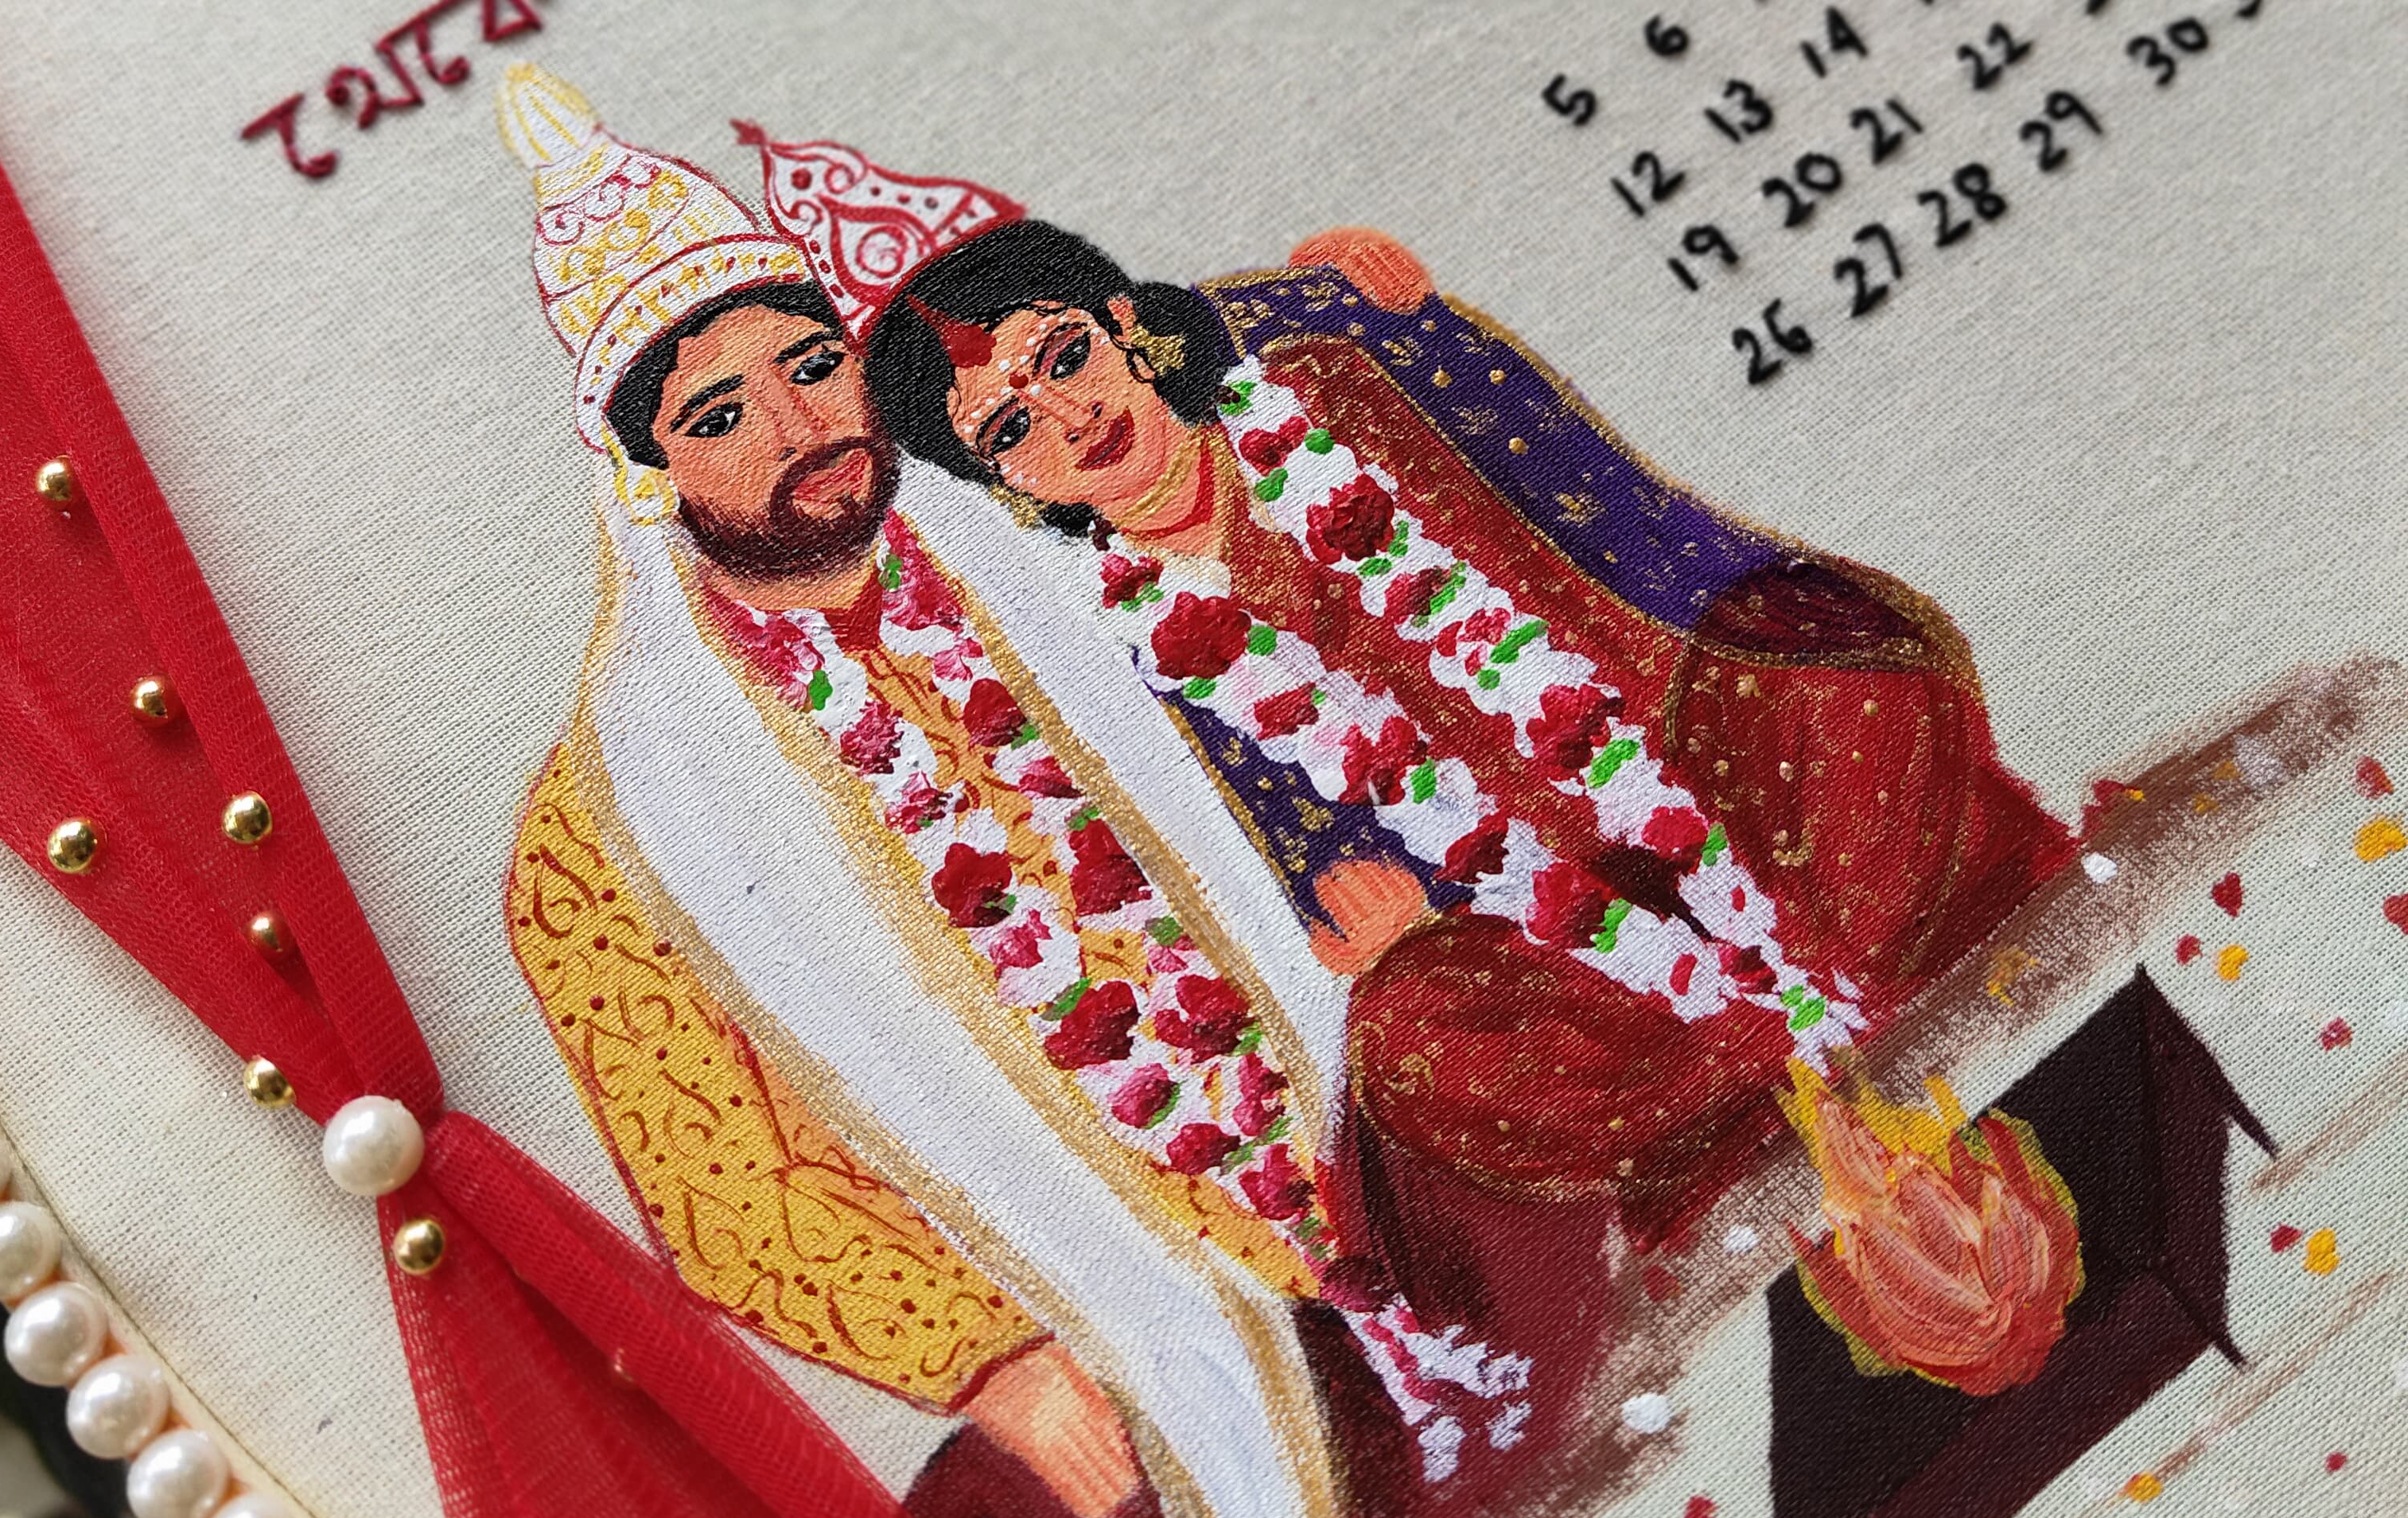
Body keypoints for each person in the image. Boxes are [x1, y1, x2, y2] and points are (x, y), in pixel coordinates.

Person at [495, 73, 1584, 1518]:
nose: (799, 430)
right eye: (720, 416)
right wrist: (984, 1357)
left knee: (1529, 1110)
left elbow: (1237, 472)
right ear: (646, 474)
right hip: (1084, 1300)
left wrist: (1346, 293)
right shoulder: (609, 828)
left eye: (813, 366)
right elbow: (725, 1194)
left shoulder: (1034, 522)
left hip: (1332, 1117)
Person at [850, 183, 2079, 1255]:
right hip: (1529, 917)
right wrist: (1358, 917)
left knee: (1854, 704)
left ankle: (1772, 1034)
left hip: (1671, 736)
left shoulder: (1322, 384)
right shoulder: (1119, 643)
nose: (1067, 417)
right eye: (1009, 427)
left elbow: (1563, 478)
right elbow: (1260, 852)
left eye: (1063, 356)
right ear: (999, 481)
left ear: (1124, 324)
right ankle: (1754, 1049)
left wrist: (1359, 296)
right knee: (1418, 1047)